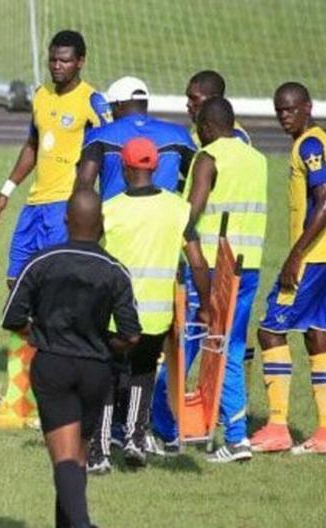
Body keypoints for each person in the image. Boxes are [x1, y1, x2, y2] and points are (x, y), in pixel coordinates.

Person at [2, 189, 141, 528]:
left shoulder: (41, 261)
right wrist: (106, 343)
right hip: (96, 371)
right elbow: (131, 335)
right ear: (102, 224)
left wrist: (39, 333)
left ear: (66, 219)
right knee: (77, 459)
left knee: (64, 460)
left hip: (53, 366)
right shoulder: (115, 270)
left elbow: (12, 317)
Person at [151, 97, 268, 462]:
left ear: (206, 127)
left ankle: (164, 431)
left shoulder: (209, 157)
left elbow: (192, 211)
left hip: (212, 267)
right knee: (230, 346)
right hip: (247, 268)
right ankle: (236, 437)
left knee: (183, 346)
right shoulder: (258, 159)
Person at [87, 137, 211, 474]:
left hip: (114, 317)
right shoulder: (178, 209)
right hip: (156, 317)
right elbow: (198, 262)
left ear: (126, 169)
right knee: (142, 373)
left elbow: (89, 258)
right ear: (154, 167)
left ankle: (98, 454)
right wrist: (206, 306)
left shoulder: (109, 210)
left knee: (108, 378)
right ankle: (134, 440)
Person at [0, 30, 110, 285]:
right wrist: (5, 191)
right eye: (52, 60)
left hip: (64, 205)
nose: (57, 66)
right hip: (34, 204)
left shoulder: (92, 101)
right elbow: (32, 145)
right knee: (16, 281)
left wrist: (88, 205)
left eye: (64, 60)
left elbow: (109, 152)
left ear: (80, 61)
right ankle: (36, 327)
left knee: (54, 282)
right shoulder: (42, 94)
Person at [251, 82, 326, 455]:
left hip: (312, 259)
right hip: (324, 258)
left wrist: (295, 255)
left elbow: (324, 201)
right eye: (279, 109)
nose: (284, 116)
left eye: (290, 109)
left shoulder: (310, 145)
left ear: (307, 107)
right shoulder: (320, 141)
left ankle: (278, 425)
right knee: (317, 336)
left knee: (270, 332)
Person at [76, 76, 196, 200]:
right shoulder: (178, 135)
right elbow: (198, 179)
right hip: (164, 216)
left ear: (118, 104)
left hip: (115, 216)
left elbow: (84, 187)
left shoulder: (99, 136)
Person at [185, 70, 251, 147]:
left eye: (194, 98)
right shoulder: (198, 128)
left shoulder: (235, 136)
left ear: (213, 99)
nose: (188, 104)